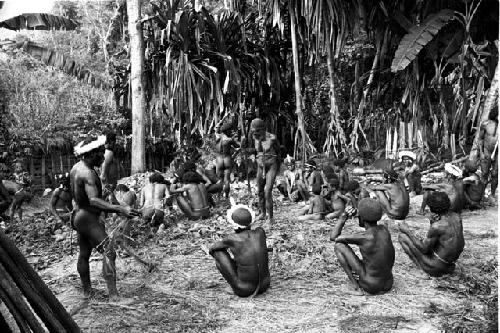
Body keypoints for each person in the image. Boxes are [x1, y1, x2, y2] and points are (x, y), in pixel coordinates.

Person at [70, 135, 139, 300]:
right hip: (86, 217)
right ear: (90, 154)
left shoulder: (76, 168)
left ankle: (88, 292)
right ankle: (114, 296)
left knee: (84, 253)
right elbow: (93, 200)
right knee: (109, 251)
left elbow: (82, 198)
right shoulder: (87, 173)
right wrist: (119, 208)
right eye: (99, 153)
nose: (103, 156)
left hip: (79, 215)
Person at [331, 198, 395, 295]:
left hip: (371, 286)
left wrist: (343, 217)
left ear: (361, 217)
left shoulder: (365, 237)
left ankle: (356, 288)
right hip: (388, 284)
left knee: (339, 246)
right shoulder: (384, 229)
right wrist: (361, 212)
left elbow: (334, 237)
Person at [208, 203, 270, 297]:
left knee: (218, 252)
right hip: (265, 285)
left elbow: (212, 249)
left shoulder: (232, 238)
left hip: (244, 289)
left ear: (233, 224)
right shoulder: (260, 232)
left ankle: (234, 286)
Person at [398, 191, 464, 277]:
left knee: (402, 237)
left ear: (431, 208)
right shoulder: (457, 217)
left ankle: (421, 269)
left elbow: (424, 249)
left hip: (436, 267)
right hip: (451, 266)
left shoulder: (437, 226)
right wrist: (432, 223)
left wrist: (407, 231)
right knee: (423, 241)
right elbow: (444, 239)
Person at [243, 118, 281, 224]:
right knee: (260, 191)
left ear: (263, 129)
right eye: (253, 131)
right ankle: (263, 213)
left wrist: (278, 165)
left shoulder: (272, 137)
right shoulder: (254, 137)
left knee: (267, 191)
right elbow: (255, 150)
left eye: (257, 131)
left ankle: (271, 217)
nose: (255, 133)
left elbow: (276, 150)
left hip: (271, 165)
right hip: (260, 166)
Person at [215, 122, 240, 198]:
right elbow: (238, 146)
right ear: (227, 131)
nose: (231, 132)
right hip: (227, 159)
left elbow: (216, 127)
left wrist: (222, 119)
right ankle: (226, 197)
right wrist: (236, 153)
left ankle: (218, 196)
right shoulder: (229, 140)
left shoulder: (217, 136)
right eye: (230, 131)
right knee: (227, 180)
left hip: (219, 160)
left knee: (219, 179)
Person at [478, 106, 498, 197]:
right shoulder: (485, 124)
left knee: (495, 173)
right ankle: (480, 195)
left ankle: (492, 195)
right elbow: (480, 139)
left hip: (497, 154)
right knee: (484, 173)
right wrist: (481, 153)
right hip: (486, 152)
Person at [100, 132, 122, 203]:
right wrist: (103, 176)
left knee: (107, 197)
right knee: (107, 196)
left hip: (110, 180)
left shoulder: (108, 151)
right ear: (112, 141)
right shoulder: (109, 152)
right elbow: (104, 164)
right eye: (114, 141)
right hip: (107, 180)